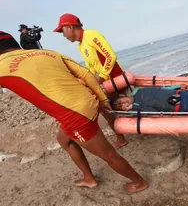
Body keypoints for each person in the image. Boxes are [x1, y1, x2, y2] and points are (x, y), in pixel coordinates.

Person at [0, 31, 148, 193]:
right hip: (89, 99)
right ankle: (89, 178)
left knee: (108, 155)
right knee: (64, 140)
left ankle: (139, 182)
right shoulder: (47, 52)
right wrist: (102, 100)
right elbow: (86, 74)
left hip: (75, 115)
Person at [53, 13, 127, 149]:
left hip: (115, 79)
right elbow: (92, 68)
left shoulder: (91, 35)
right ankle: (121, 138)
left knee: (124, 106)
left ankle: (129, 134)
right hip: (104, 83)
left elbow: (110, 55)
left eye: (62, 31)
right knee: (106, 110)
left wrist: (102, 76)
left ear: (69, 27)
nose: (63, 35)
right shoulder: (81, 46)